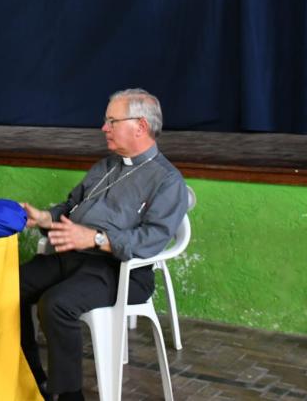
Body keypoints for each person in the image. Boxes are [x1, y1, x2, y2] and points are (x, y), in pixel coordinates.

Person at [18, 89, 188, 401]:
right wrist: (45, 217)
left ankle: (69, 396)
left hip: (121, 270)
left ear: (139, 126)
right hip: (74, 253)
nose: (104, 128)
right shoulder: (106, 166)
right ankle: (30, 379)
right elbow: (71, 206)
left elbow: (150, 241)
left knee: (56, 304)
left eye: (112, 121)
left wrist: (98, 239)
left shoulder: (167, 181)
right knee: (6, 286)